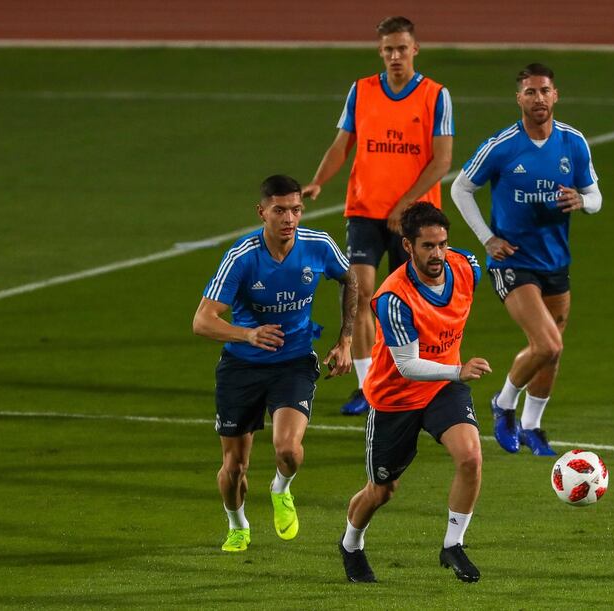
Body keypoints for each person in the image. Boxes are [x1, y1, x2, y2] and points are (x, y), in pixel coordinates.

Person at [193, 174, 358, 552]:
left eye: (296, 210)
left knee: (288, 449)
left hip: (294, 361)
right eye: (280, 210)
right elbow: (202, 321)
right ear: (262, 212)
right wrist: (247, 334)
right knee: (234, 467)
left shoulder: (318, 245)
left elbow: (351, 279)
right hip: (242, 367)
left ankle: (281, 489)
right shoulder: (242, 256)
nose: (289, 218)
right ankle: (238, 524)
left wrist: (345, 339)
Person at [303, 16, 454, 416]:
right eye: (388, 49)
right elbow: (341, 145)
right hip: (365, 211)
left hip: (414, 218)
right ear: (380, 52)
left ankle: (417, 379)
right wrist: (319, 181)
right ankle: (369, 388)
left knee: (413, 301)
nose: (394, 56)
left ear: (415, 50)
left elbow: (442, 162)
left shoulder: (436, 96)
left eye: (401, 48)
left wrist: (404, 205)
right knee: (362, 293)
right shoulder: (362, 91)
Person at [450, 63, 602, 456]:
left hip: (556, 262)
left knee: (551, 351)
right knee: (548, 343)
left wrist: (582, 201)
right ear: (519, 98)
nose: (538, 98)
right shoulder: (501, 146)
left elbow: (596, 196)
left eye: (545, 91)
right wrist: (487, 238)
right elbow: (461, 188)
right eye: (530, 92)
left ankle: (533, 426)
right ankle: (502, 404)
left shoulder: (573, 142)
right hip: (513, 263)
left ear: (556, 95)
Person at [337, 202, 491, 584]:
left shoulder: (466, 266)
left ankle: (453, 544)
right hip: (396, 397)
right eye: (427, 246)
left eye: (442, 244)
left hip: (442, 389)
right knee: (382, 491)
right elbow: (407, 365)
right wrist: (459, 369)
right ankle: (351, 544)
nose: (438, 254)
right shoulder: (394, 298)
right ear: (407, 246)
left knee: (470, 457)